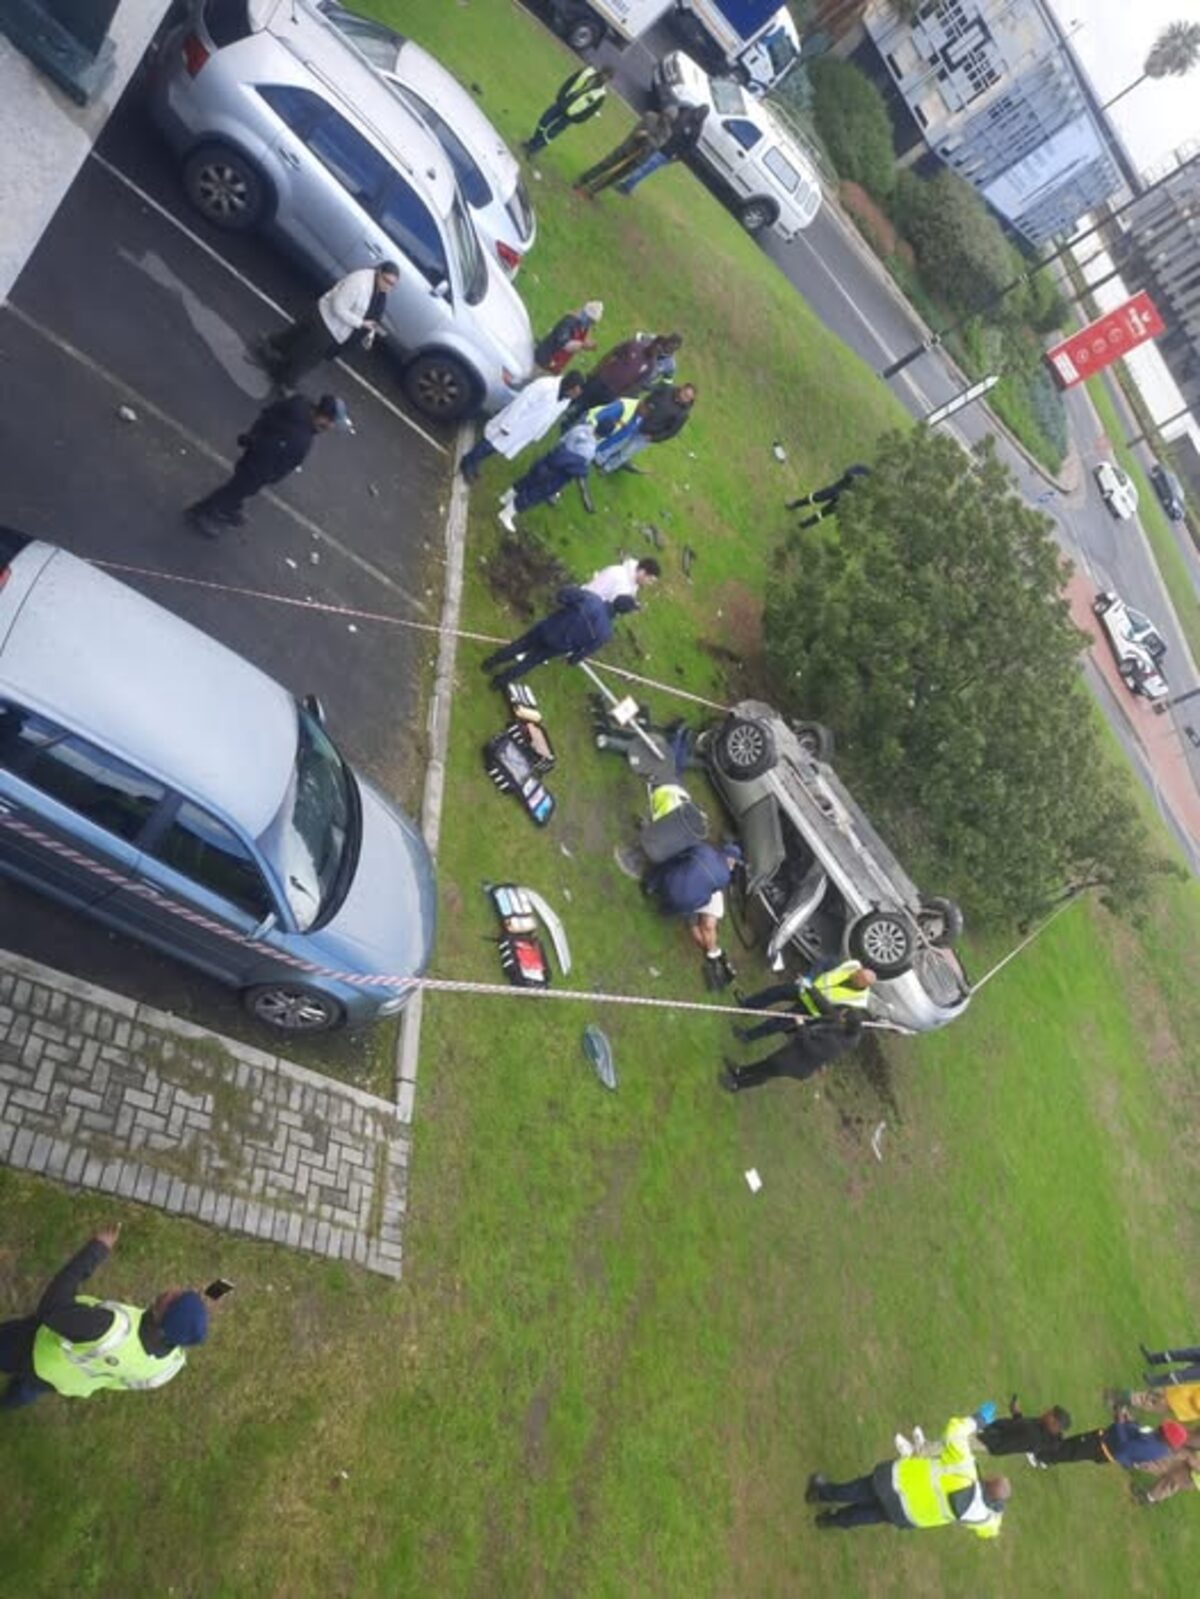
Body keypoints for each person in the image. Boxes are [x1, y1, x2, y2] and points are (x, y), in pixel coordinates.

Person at [0, 1224, 208, 1409]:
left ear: (163, 1319)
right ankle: (9, 1402)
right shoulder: (168, 1366)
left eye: (174, 1299)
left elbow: (52, 1309)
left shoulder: (110, 1329)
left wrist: (96, 1250)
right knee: (29, 1388)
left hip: (36, 1349)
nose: (172, 1289)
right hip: (64, 1379)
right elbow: (121, 1382)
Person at [807, 1412, 1009, 1537]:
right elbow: (992, 1529)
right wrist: (997, 1507)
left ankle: (820, 1493)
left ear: (988, 1480)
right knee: (868, 1515)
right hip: (909, 1515)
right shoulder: (982, 1517)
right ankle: (830, 1521)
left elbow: (955, 1431)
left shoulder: (965, 1468)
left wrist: (977, 1420)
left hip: (896, 1482)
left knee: (858, 1490)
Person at [185, 392, 352, 537]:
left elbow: (270, 414)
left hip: (256, 453)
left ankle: (230, 508)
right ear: (323, 417)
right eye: (331, 422)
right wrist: (270, 476)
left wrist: (252, 437)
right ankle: (203, 512)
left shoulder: (299, 403)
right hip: (258, 468)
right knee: (235, 490)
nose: (330, 427)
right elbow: (279, 458)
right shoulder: (300, 437)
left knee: (239, 490)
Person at [258, 262, 399, 388]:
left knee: (296, 338)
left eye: (392, 284)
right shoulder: (359, 282)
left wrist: (370, 333)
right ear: (378, 271)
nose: (388, 287)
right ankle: (284, 378)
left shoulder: (379, 291)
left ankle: (272, 348)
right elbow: (338, 306)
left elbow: (373, 315)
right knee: (306, 358)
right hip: (327, 323)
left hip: (331, 325)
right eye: (386, 281)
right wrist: (361, 323)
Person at [481, 589, 636, 688]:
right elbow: (586, 651)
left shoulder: (591, 598)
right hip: (559, 646)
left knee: (520, 645)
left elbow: (563, 594)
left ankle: (490, 663)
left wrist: (564, 605)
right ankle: (498, 682)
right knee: (530, 662)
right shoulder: (605, 632)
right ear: (622, 613)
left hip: (549, 627)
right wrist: (573, 659)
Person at [460, 370, 585, 484]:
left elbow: (551, 418)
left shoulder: (565, 399)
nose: (575, 396)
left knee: (498, 448)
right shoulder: (545, 386)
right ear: (569, 385)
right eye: (575, 391)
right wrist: (508, 424)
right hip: (515, 421)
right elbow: (521, 402)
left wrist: (539, 434)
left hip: (526, 429)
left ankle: (475, 462)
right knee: (491, 442)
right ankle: (468, 461)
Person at [721, 1006, 863, 1094]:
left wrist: (801, 1027)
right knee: (767, 1062)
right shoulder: (844, 1032)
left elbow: (810, 1047)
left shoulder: (836, 1043)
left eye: (842, 1015)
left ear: (846, 1023)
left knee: (769, 1070)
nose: (838, 1015)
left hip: (798, 1063)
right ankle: (740, 1071)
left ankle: (737, 1085)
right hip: (797, 1054)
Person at [497, 421, 600, 532]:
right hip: (557, 474)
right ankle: (506, 514)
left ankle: (505, 498)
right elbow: (577, 468)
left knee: (528, 480)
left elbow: (562, 439)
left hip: (549, 458)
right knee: (534, 494)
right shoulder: (589, 449)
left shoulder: (581, 428)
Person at [735, 960, 877, 1038]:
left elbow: (831, 1012)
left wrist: (811, 989)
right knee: (774, 993)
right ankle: (747, 1006)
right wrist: (810, 977)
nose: (854, 974)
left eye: (858, 976)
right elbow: (824, 963)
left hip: (810, 1008)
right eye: (858, 972)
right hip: (803, 989)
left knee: (778, 1022)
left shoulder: (857, 1001)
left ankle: (748, 1036)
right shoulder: (852, 966)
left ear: (863, 984)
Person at [569, 333, 684, 416]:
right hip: (608, 376)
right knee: (584, 395)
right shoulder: (648, 340)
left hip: (626, 388)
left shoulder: (669, 365)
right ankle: (568, 409)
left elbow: (667, 383)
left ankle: (576, 418)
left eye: (674, 347)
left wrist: (649, 387)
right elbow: (626, 345)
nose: (670, 348)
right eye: (670, 344)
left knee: (595, 408)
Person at [576, 106, 679, 196]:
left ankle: (593, 190)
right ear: (663, 112)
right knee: (606, 164)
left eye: (669, 118)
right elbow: (636, 133)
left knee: (616, 176)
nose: (665, 119)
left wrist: (647, 136)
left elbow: (656, 145)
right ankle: (583, 179)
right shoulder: (650, 117)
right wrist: (647, 138)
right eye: (666, 115)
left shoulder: (667, 133)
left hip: (639, 158)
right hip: (628, 148)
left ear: (672, 121)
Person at [595, 383, 696, 475]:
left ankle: (607, 468)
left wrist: (654, 438)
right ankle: (599, 458)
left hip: (648, 435)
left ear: (690, 400)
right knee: (618, 440)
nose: (684, 397)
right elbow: (651, 396)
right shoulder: (667, 389)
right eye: (685, 393)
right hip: (639, 419)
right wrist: (643, 406)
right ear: (682, 388)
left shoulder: (682, 414)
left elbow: (671, 432)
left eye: (687, 397)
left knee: (627, 452)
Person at [616, 105, 709, 195]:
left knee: (645, 168)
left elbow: (689, 148)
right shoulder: (686, 110)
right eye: (699, 112)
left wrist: (676, 157)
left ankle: (627, 186)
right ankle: (619, 177)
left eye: (701, 115)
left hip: (667, 152)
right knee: (637, 161)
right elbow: (671, 115)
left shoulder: (696, 130)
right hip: (659, 140)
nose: (698, 115)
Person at [1039, 1414, 1188, 1470]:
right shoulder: (1154, 1437)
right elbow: (1137, 1432)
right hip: (1103, 1438)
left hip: (1103, 1447)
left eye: (1163, 1429)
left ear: (1165, 1438)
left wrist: (1119, 1424)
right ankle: (1048, 1453)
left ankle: (1042, 1458)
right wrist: (1130, 1421)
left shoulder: (1152, 1448)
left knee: (1072, 1451)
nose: (1160, 1427)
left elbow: (1125, 1449)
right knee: (1072, 1444)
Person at [524, 64, 613, 155]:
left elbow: (591, 111)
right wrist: (560, 96)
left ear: (609, 80)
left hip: (570, 116)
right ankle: (532, 142)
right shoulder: (587, 72)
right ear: (601, 71)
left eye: (607, 77)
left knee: (551, 133)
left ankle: (534, 149)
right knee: (544, 121)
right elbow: (570, 81)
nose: (604, 77)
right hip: (562, 103)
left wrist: (577, 119)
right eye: (604, 74)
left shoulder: (601, 94)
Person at [976, 1396, 1073, 1459]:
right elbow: (1017, 1430)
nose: (1046, 1412)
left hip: (986, 1439)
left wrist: (980, 1432)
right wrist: (1017, 1414)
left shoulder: (1033, 1436)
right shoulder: (1043, 1427)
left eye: (1050, 1414)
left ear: (1054, 1425)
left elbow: (1003, 1444)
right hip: (991, 1430)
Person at [787, 463, 871, 528]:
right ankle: (795, 504)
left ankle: (806, 524)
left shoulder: (871, 487)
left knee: (824, 513)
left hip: (845, 501)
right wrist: (852, 477)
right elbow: (848, 471)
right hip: (836, 489)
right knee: (815, 497)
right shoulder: (864, 470)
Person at [535, 301, 604, 373]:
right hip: (544, 359)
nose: (590, 323)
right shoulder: (568, 322)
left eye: (592, 322)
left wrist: (586, 344)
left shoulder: (584, 329)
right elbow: (564, 343)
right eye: (590, 320)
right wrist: (583, 345)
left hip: (556, 365)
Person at [583, 556, 661, 605]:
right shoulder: (616, 573)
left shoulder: (633, 586)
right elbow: (592, 592)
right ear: (642, 572)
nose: (649, 584)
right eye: (650, 579)